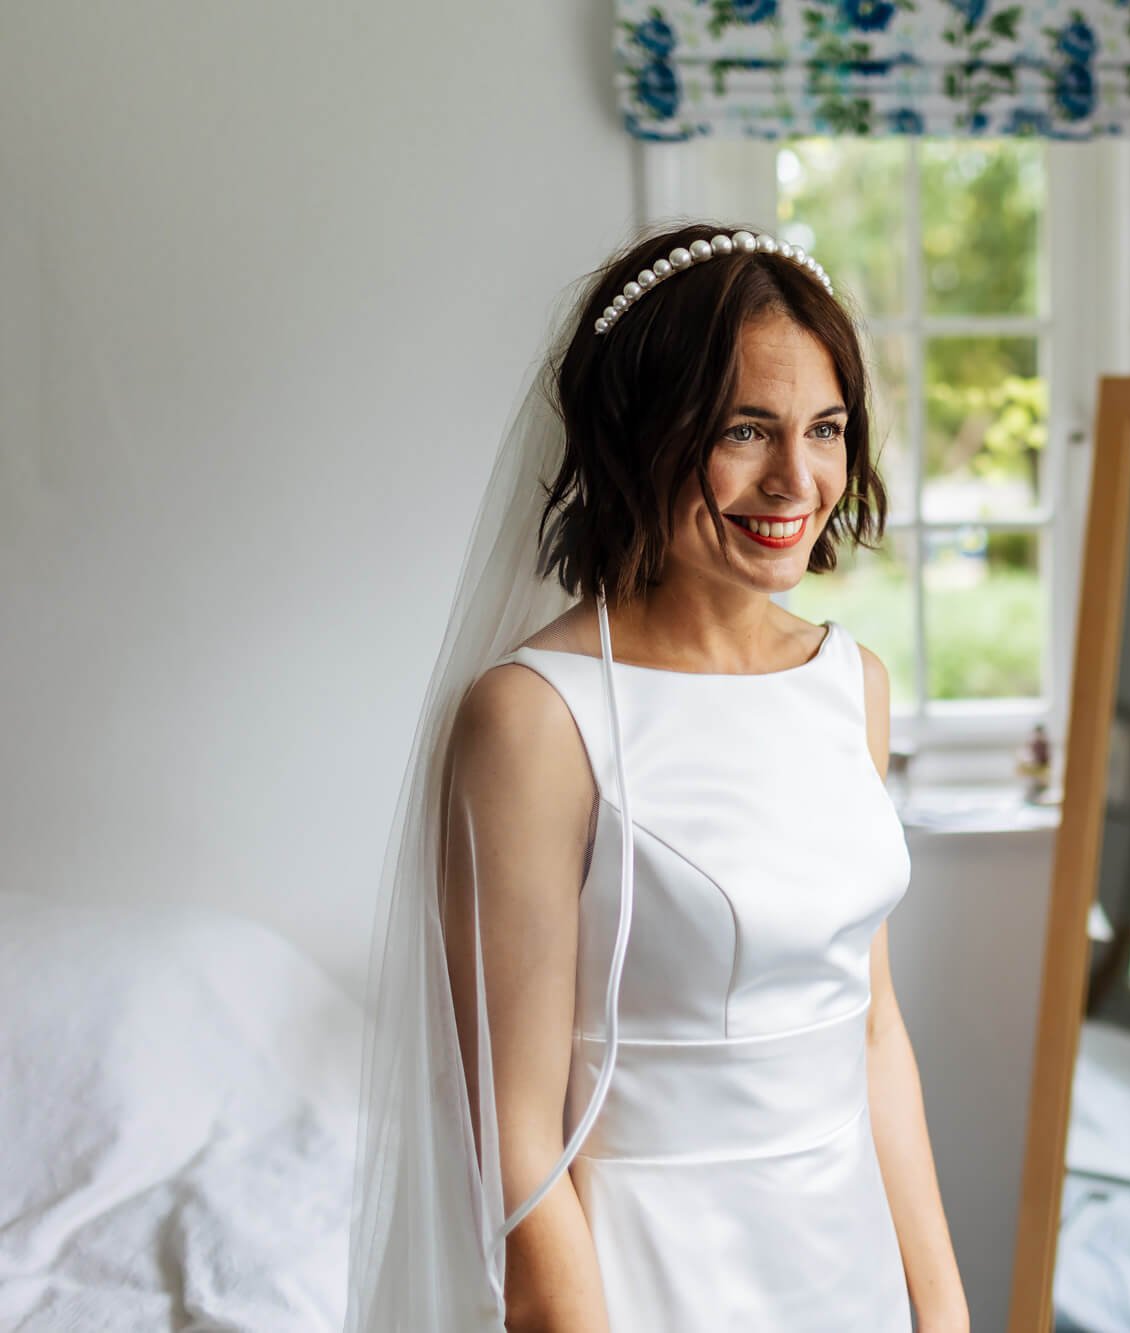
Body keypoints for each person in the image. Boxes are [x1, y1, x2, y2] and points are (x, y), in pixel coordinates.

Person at [345, 224, 968, 1331]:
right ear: (641, 435)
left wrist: (942, 1308)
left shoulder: (850, 684)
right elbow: (514, 1133)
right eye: (745, 430)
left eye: (824, 429)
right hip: (652, 1282)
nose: (797, 478)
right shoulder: (534, 718)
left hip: (847, 1257)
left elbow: (872, 1029)